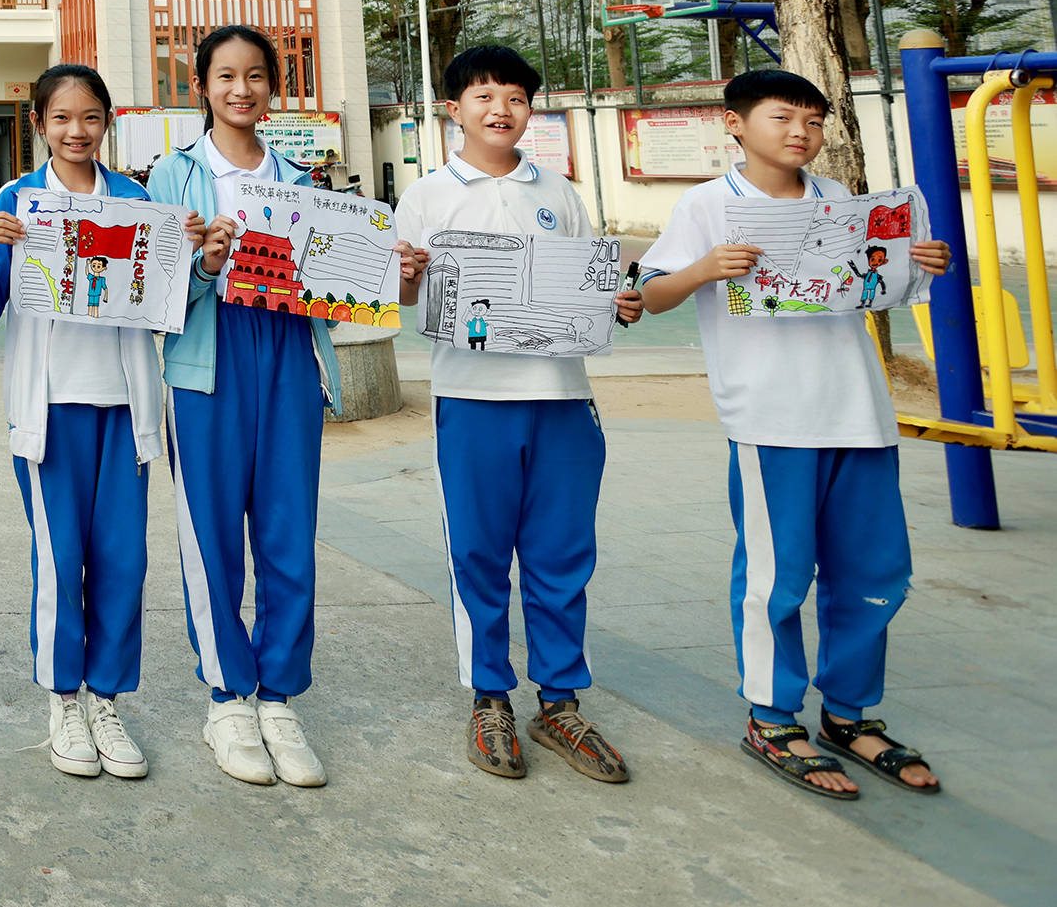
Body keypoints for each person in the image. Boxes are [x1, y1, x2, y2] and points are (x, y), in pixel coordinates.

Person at [638, 68, 951, 800]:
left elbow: (871, 284)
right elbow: (649, 295)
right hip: (770, 419)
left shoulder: (841, 200)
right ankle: (773, 717)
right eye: (782, 117)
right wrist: (705, 268)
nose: (800, 132)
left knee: (875, 574)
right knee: (779, 577)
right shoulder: (709, 204)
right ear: (736, 124)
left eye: (812, 119)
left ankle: (849, 713)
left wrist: (916, 264)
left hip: (860, 415)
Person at [392, 45, 640, 784]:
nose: (500, 108)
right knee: (478, 554)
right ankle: (490, 696)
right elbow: (406, 300)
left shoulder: (558, 191)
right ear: (453, 109)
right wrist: (405, 276)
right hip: (472, 399)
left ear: (532, 109)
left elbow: (587, 290)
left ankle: (560, 701)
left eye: (516, 97)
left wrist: (614, 302)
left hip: (564, 399)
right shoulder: (429, 194)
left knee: (562, 556)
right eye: (483, 95)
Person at [0, 63, 167, 781]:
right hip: (50, 408)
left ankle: (106, 700)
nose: (76, 131)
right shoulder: (18, 201)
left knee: (123, 559)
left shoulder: (139, 200)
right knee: (60, 559)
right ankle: (62, 700)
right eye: (61, 118)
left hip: (124, 405)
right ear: (38, 125)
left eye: (89, 117)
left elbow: (162, 298)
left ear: (106, 121)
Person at [147, 27, 329, 788]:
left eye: (256, 76)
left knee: (289, 532)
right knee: (212, 532)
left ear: (272, 87)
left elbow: (331, 279)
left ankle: (280, 694)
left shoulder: (301, 177)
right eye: (226, 75)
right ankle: (228, 693)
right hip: (207, 354)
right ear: (202, 85)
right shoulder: (170, 174)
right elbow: (154, 286)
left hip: (286, 351)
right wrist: (202, 263)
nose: (242, 89)